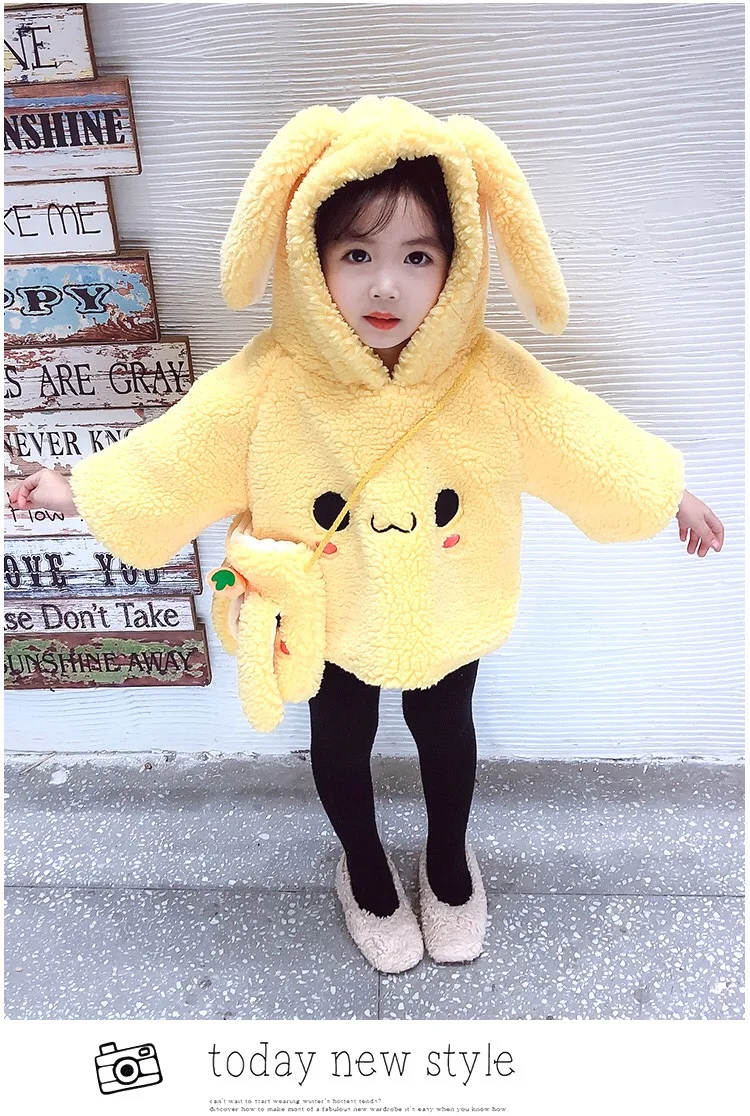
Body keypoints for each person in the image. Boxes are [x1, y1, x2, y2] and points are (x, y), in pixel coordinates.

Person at [8, 96, 725, 977]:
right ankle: (366, 870)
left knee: (446, 730)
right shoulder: (271, 382)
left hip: (448, 602)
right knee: (341, 739)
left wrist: (666, 491)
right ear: (310, 259)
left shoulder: (488, 376)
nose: (386, 286)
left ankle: (450, 862)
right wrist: (77, 488)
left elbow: (580, 437)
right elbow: (175, 456)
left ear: (458, 263)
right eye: (357, 254)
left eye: (417, 256)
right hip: (325, 607)